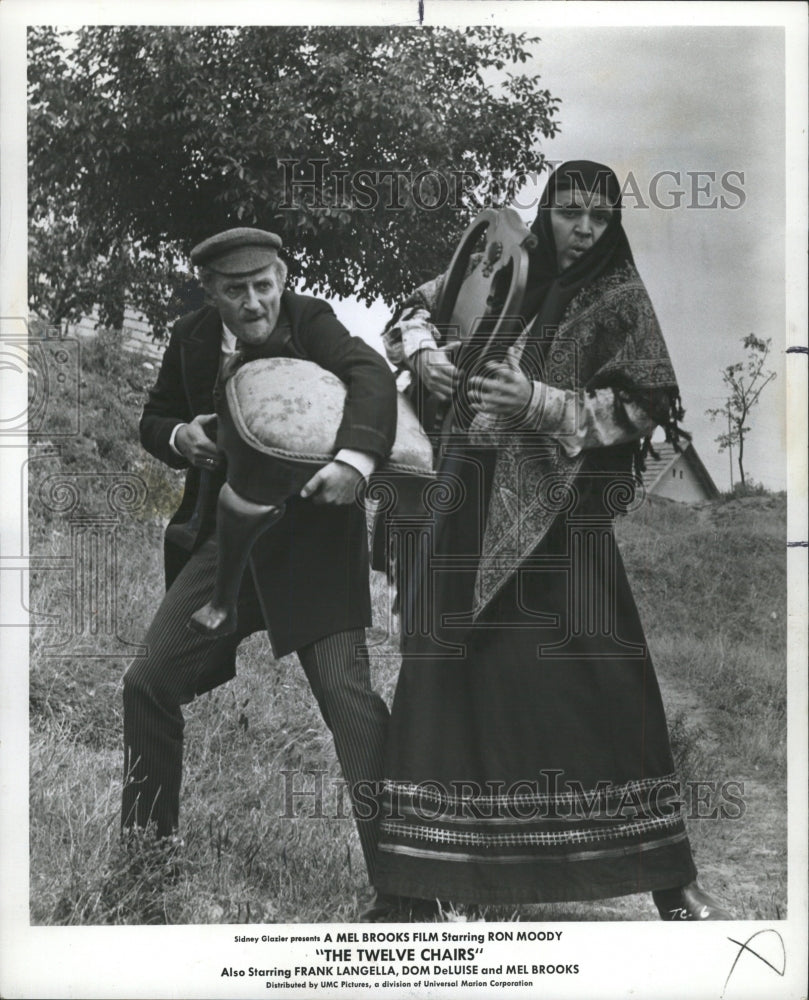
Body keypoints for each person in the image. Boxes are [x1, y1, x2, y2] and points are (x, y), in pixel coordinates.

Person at [373, 161, 732, 921]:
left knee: (604, 685)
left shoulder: (618, 298)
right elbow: (413, 309)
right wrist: (425, 356)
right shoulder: (507, 268)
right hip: (463, 503)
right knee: (446, 687)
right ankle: (426, 887)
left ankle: (670, 877)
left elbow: (643, 405)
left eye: (599, 218)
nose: (584, 229)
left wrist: (537, 400)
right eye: (569, 212)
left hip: (558, 523)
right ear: (547, 212)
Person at [121, 228, 397, 912]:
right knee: (148, 682)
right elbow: (154, 419)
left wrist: (352, 464)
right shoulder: (190, 337)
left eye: (263, 285)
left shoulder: (313, 321)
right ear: (210, 292)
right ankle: (146, 863)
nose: (253, 303)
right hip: (224, 550)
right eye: (235, 290)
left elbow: (371, 377)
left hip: (310, 548)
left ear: (282, 278)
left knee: (348, 703)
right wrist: (181, 436)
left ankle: (410, 885)